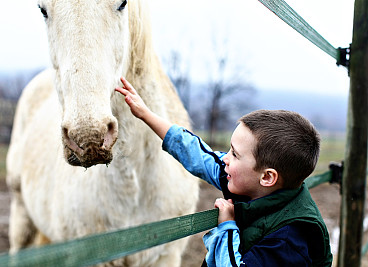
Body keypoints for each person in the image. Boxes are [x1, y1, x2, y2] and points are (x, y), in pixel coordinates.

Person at [115, 77, 332, 267]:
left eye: (235, 154)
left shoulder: (288, 240)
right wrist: (145, 114)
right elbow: (198, 154)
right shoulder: (250, 181)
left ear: (267, 177)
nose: (225, 158)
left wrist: (227, 227)